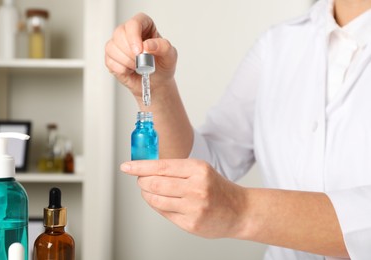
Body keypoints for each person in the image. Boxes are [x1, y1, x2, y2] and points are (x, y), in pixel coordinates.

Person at [105, 0, 371, 258]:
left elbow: (224, 200)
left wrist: (240, 209)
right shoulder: (279, 43)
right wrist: (158, 89)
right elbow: (210, 169)